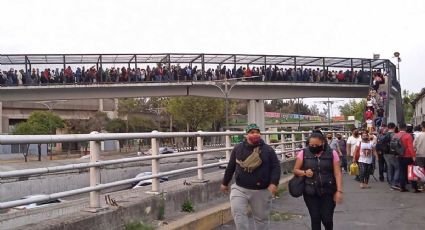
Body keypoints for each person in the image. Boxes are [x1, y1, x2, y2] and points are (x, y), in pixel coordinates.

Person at [221, 123, 281, 230]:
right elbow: (231, 166)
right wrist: (225, 183)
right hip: (239, 189)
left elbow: (276, 167)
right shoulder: (238, 148)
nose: (255, 134)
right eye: (252, 132)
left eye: (257, 132)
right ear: (246, 135)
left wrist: (274, 183)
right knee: (239, 215)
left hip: (261, 191)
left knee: (261, 220)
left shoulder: (268, 150)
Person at [293, 132, 343, 230]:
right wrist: (304, 172)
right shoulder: (303, 153)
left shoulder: (332, 153)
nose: (314, 147)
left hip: (328, 191)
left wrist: (339, 191)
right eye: (311, 145)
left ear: (323, 143)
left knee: (327, 219)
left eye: (317, 145)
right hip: (310, 192)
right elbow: (295, 170)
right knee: (315, 219)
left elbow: (337, 173)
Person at [395, 123, 419, 192]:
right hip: (408, 156)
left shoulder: (396, 135)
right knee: (411, 171)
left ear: (399, 128)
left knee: (402, 171)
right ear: (405, 128)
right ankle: (414, 187)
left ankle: (402, 187)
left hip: (399, 156)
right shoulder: (408, 136)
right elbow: (410, 147)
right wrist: (413, 156)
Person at [413, 121, 425, 192]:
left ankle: (421, 186)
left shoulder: (418, 135)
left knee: (420, 170)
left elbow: (413, 146)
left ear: (422, 127)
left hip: (419, 155)